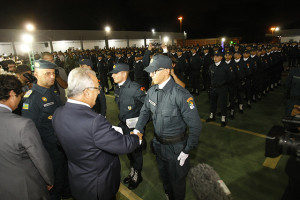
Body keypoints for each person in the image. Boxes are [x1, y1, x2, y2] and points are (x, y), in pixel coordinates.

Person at [52, 67, 141, 200]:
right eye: (97, 88)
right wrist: (136, 137)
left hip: (79, 181)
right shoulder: (94, 121)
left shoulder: (58, 113)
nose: (99, 92)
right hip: (99, 187)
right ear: (87, 92)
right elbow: (122, 145)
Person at [134, 54, 202, 200]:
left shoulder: (181, 94)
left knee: (177, 183)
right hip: (158, 146)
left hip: (176, 149)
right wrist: (138, 128)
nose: (150, 74)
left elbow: (195, 126)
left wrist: (187, 150)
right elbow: (145, 111)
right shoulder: (152, 91)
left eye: (154, 71)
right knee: (165, 179)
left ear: (166, 70)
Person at [0, 73, 54, 200]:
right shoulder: (22, 125)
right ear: (13, 94)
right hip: (26, 188)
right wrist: (49, 179)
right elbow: (39, 158)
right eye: (20, 95)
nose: (20, 99)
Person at [21, 60, 69, 200]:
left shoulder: (52, 91)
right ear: (36, 74)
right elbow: (30, 132)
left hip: (60, 146)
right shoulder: (32, 98)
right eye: (47, 73)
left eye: (53, 73)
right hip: (48, 151)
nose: (52, 77)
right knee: (54, 186)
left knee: (64, 178)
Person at [110, 63, 146, 190]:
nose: (112, 75)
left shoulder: (135, 88)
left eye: (115, 73)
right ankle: (132, 172)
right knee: (128, 151)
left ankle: (137, 175)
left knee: (136, 153)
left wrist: (140, 126)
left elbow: (148, 107)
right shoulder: (118, 88)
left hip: (135, 127)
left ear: (124, 73)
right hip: (124, 125)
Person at [206, 51, 230, 127]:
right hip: (213, 88)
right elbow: (210, 76)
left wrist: (223, 84)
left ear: (221, 57)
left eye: (217, 56)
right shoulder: (211, 66)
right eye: (214, 57)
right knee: (213, 102)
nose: (215, 58)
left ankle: (223, 118)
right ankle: (212, 116)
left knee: (223, 104)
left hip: (222, 88)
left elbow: (229, 78)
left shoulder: (225, 66)